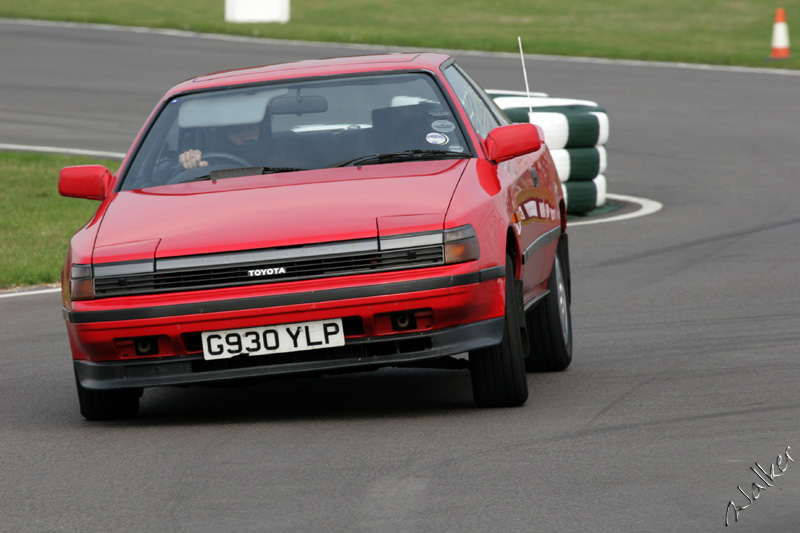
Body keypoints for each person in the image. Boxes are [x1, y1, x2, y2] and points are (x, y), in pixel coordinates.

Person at [178, 123, 262, 169]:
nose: (248, 137)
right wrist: (190, 160)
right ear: (223, 136)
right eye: (236, 130)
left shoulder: (274, 160)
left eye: (253, 128)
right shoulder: (208, 165)